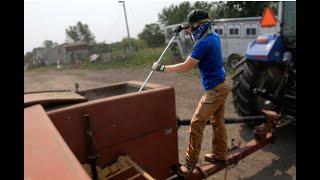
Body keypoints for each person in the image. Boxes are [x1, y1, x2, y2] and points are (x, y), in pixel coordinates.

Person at [151, 9, 230, 176]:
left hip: (216, 90)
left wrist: (162, 68)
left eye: (193, 28)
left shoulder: (203, 44)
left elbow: (185, 66)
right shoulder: (212, 37)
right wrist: (182, 27)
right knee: (217, 122)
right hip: (221, 85)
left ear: (200, 26)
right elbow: (192, 28)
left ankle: (190, 163)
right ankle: (220, 154)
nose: (191, 31)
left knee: (197, 122)